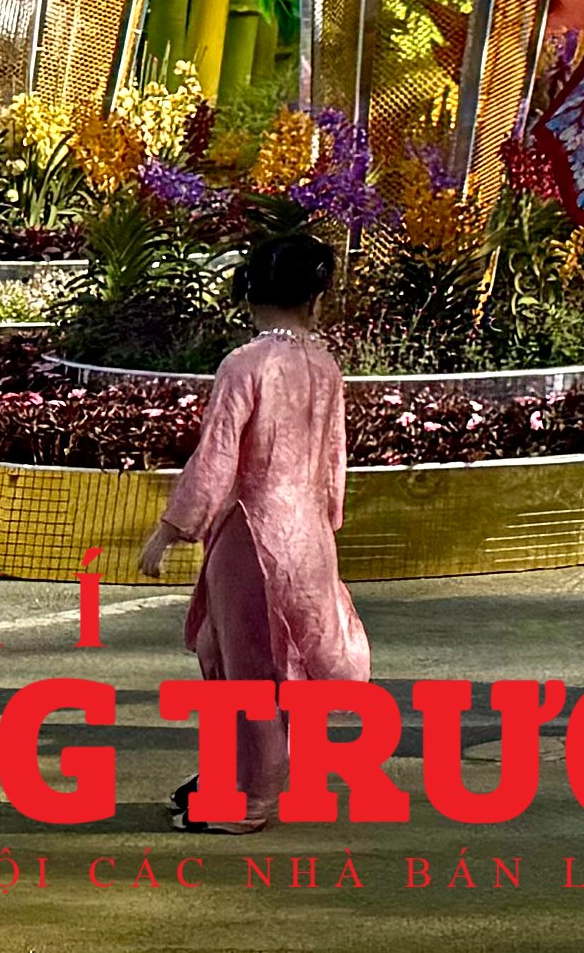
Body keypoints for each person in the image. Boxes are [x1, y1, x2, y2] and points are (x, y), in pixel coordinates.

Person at [140, 210, 358, 830]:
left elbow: (217, 456)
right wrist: (325, 525)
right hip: (306, 535)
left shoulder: (245, 364)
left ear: (248, 291)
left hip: (252, 535)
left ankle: (251, 799)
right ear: (315, 298)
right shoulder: (325, 366)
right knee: (251, 657)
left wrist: (172, 528)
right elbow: (334, 460)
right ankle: (229, 773)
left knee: (247, 668)